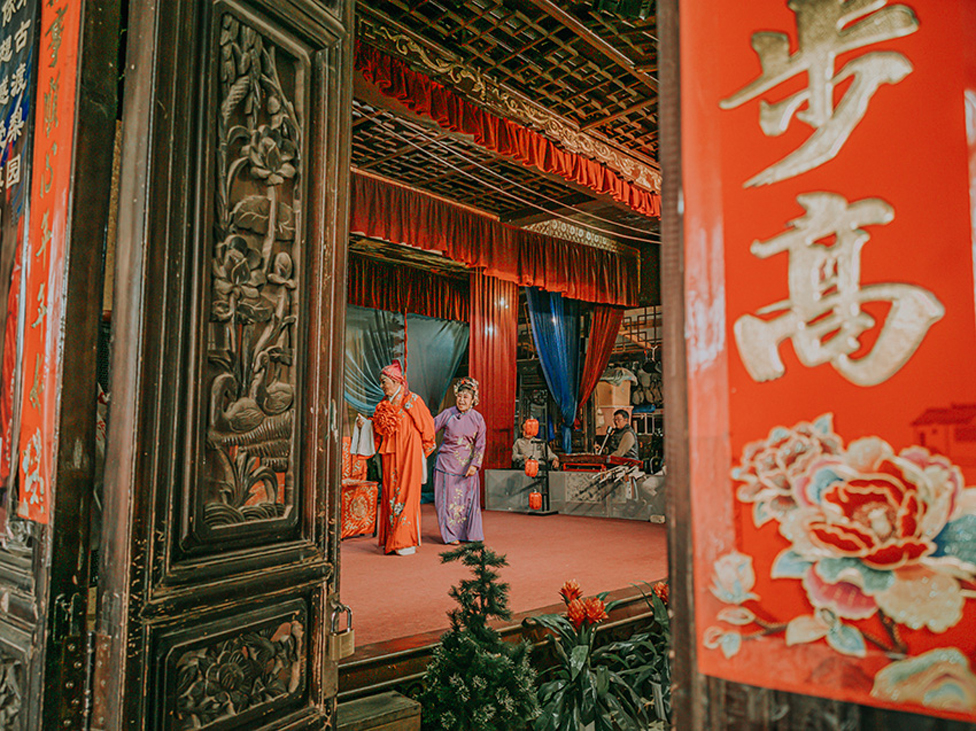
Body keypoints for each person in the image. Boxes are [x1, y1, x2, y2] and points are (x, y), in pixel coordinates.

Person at [370, 360, 436, 556]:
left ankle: (404, 540)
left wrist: (422, 451)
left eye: (384, 382)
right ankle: (392, 538)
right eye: (381, 382)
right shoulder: (383, 405)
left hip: (409, 453)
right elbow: (377, 431)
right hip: (390, 454)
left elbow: (427, 427)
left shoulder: (412, 401)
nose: (382, 386)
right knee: (391, 494)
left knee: (407, 494)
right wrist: (364, 425)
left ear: (396, 381)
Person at [432, 377, 486, 544]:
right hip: (446, 465)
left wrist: (475, 465)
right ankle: (450, 536)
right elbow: (429, 428)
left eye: (466, 397)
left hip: (467, 468)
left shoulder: (478, 419)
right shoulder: (448, 414)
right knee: (446, 502)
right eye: (460, 396)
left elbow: (480, 444)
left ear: (473, 400)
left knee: (466, 501)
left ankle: (469, 534)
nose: (462, 400)